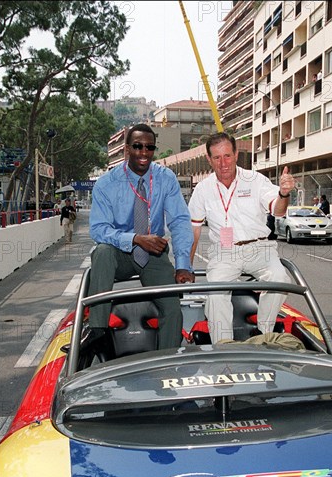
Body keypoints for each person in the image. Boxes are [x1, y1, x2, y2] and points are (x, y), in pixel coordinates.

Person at [82, 123, 195, 355]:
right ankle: (97, 331)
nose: (144, 153)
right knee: (101, 252)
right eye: (137, 146)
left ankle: (167, 362)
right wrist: (134, 239)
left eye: (149, 147)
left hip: (153, 254)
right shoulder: (106, 184)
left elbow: (180, 221)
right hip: (118, 254)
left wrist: (183, 264)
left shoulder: (166, 178)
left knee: (172, 308)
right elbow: (98, 229)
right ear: (126, 149)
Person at [188, 132, 295, 344]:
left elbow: (278, 211)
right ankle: (222, 345)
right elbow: (194, 230)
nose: (223, 163)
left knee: (280, 278)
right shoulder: (203, 189)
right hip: (224, 251)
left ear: (236, 154)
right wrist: (186, 266)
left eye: (227, 156)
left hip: (259, 248)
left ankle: (264, 334)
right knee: (215, 290)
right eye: (217, 158)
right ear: (208, 159)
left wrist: (283, 193)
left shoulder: (255, 180)